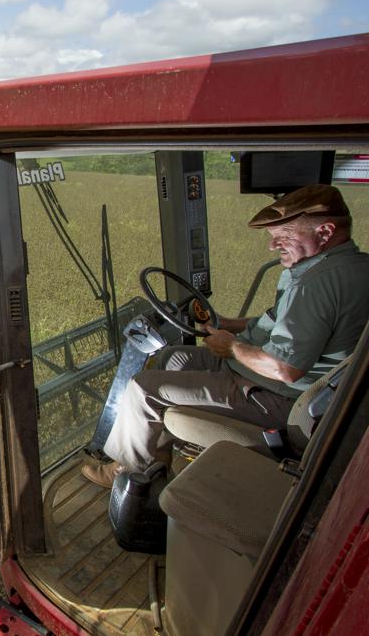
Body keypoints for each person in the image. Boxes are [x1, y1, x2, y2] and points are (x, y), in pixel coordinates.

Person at [82, 184, 369, 487]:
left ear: (324, 232)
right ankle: (158, 455)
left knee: (142, 389)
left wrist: (231, 348)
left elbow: (285, 368)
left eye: (283, 236)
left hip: (281, 397)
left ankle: (126, 471)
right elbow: (285, 323)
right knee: (174, 356)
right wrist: (231, 324)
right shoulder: (353, 267)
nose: (273, 247)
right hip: (301, 389)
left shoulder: (315, 283)